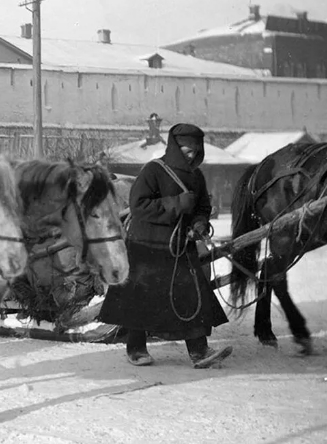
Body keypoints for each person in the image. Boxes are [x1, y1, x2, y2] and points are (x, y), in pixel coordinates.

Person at [98, 123, 232, 369]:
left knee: (191, 296)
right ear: (174, 147)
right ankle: (136, 348)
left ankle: (199, 351)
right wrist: (176, 203)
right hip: (146, 245)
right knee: (140, 298)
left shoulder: (196, 176)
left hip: (180, 246)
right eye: (185, 150)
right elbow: (139, 205)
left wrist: (200, 223)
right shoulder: (154, 170)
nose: (190, 155)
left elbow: (202, 207)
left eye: (194, 151)